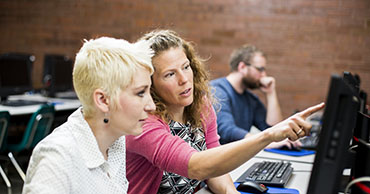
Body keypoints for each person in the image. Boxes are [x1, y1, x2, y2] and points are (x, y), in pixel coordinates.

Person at [125, 29, 324, 194]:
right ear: (150, 84)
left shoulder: (200, 104)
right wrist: (269, 136)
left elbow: (214, 167)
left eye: (186, 67)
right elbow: (197, 166)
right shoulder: (142, 123)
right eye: (170, 74)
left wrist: (232, 193)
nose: (184, 79)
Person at [22, 37, 155, 194]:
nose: (151, 106)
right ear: (103, 100)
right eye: (140, 93)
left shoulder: (115, 143)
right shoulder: (58, 158)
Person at [211, 45, 297, 148]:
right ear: (242, 67)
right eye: (260, 69)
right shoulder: (217, 91)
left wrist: (271, 93)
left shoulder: (250, 99)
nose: (264, 75)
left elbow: (273, 130)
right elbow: (227, 130)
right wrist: (264, 142)